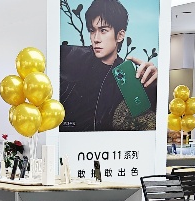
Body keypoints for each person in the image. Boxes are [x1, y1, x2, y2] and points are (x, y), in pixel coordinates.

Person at [61, 0, 158, 132]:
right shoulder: (71, 56)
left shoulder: (127, 77)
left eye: (103, 30)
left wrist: (154, 88)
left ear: (120, 35)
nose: (96, 38)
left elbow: (145, 121)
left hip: (108, 144)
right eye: (92, 31)